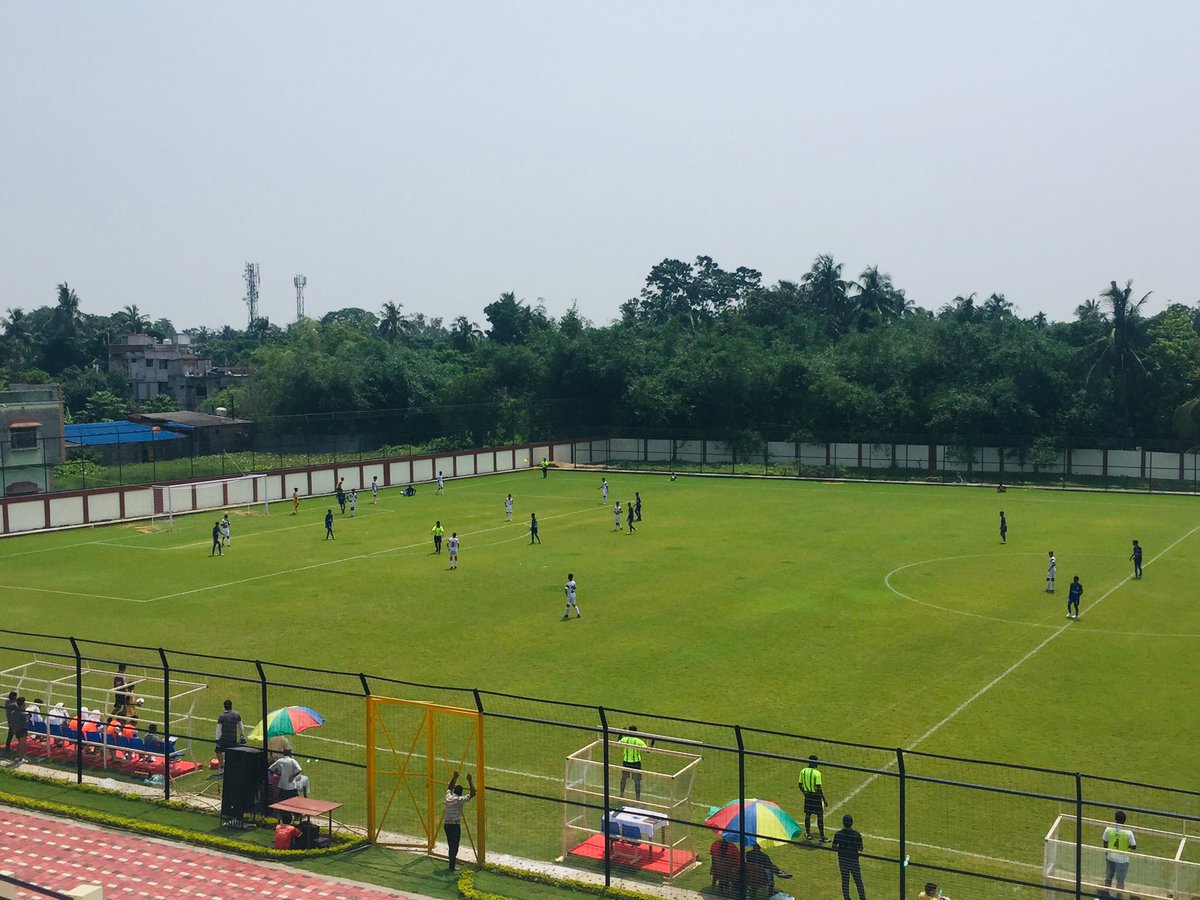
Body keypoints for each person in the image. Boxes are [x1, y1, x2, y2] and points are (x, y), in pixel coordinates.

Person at [444, 770, 476, 872]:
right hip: (454, 826)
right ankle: (451, 867)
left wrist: (454, 778)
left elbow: (449, 788)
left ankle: (451, 865)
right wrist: (470, 781)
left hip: (447, 825)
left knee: (451, 845)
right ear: (461, 793)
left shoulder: (448, 797)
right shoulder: (460, 800)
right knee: (455, 846)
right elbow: (473, 793)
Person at [832, 814, 866, 900]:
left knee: (845, 881)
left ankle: (846, 898)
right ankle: (862, 898)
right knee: (858, 881)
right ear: (852, 823)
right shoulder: (856, 834)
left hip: (843, 860)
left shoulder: (838, 834)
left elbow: (834, 847)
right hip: (853, 860)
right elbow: (861, 848)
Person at [1103, 809, 1137, 897]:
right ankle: (1118, 896)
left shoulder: (1109, 829)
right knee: (1120, 880)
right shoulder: (1128, 833)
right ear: (1125, 820)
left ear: (1115, 818)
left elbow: (1105, 842)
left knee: (1108, 877)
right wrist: (1127, 846)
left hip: (1110, 857)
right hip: (1123, 860)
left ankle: (1106, 895)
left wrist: (1107, 852)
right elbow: (1134, 846)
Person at [268, 748, 304, 823]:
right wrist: (292, 776)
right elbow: (299, 769)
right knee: (295, 801)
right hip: (291, 786)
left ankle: (282, 816)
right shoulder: (292, 761)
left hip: (282, 785)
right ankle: (297, 815)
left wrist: (279, 774)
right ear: (290, 754)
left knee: (282, 801)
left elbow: (271, 769)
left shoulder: (280, 761)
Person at [799, 755, 828, 842]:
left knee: (808, 815)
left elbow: (800, 785)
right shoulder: (817, 773)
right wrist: (824, 799)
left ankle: (808, 834)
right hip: (816, 796)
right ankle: (822, 837)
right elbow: (818, 788)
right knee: (820, 816)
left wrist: (805, 793)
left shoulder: (803, 771)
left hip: (807, 796)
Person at [617, 725, 647, 800]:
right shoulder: (638, 741)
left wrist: (620, 734)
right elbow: (647, 750)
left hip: (626, 762)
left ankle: (621, 794)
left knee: (623, 779)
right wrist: (652, 742)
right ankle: (638, 798)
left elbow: (618, 743)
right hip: (636, 763)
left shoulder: (625, 739)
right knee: (637, 781)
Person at [214, 699, 244, 772]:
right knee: (231, 752)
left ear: (224, 707)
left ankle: (222, 767)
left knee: (218, 751)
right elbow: (241, 726)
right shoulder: (236, 714)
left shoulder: (222, 717)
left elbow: (218, 729)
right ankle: (232, 767)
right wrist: (242, 735)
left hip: (224, 739)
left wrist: (217, 739)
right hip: (233, 738)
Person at [7, 695, 28, 763]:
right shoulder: (22, 713)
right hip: (22, 730)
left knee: (19, 743)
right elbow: (25, 722)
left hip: (16, 729)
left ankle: (18, 756)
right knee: (22, 745)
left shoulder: (13, 712)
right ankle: (20, 759)